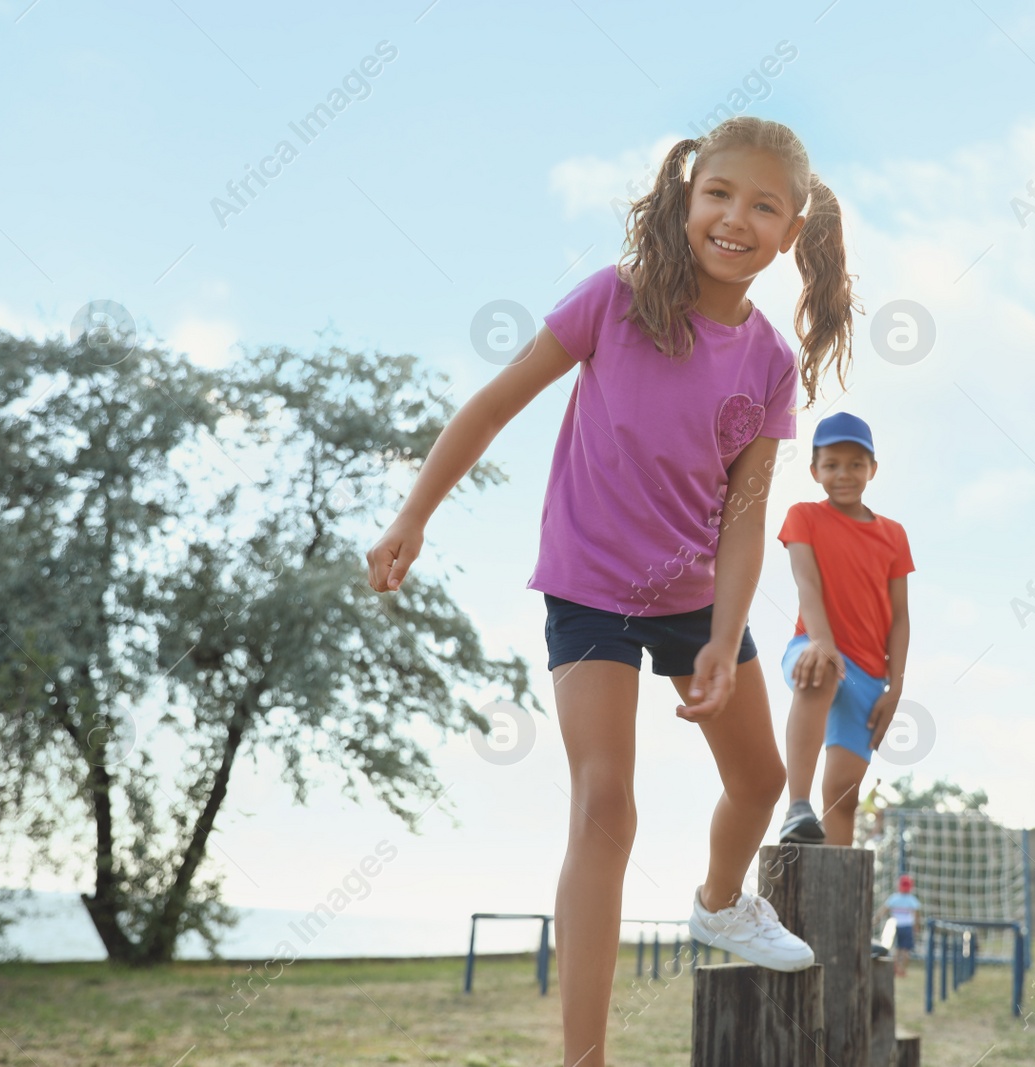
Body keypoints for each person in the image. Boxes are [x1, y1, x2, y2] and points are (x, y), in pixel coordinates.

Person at [364, 116, 859, 1067]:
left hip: (692, 593)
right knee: (605, 803)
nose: (734, 218)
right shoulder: (615, 301)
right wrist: (412, 514)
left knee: (758, 782)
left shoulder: (767, 364)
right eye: (719, 195)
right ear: (686, 198)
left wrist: (723, 636)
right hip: (589, 586)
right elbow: (497, 400)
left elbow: (746, 515)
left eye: (763, 206)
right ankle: (582, 1057)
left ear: (792, 231)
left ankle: (721, 904)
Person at [776, 412, 914, 848]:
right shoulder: (803, 516)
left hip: (871, 675)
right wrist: (822, 642)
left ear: (872, 469)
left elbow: (900, 616)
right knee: (819, 671)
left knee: (844, 795)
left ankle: (836, 895)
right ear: (815, 470)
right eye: (832, 464)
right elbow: (807, 583)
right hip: (813, 644)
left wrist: (895, 689)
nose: (844, 474)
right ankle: (797, 807)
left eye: (856, 464)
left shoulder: (894, 535)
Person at [878, 874, 922, 977]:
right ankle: (902, 969)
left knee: (897, 948)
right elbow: (916, 915)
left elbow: (884, 910)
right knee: (906, 949)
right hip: (907, 926)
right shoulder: (911, 899)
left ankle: (896, 966)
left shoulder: (894, 898)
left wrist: (877, 919)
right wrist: (917, 926)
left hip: (896, 926)